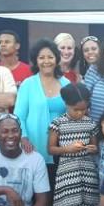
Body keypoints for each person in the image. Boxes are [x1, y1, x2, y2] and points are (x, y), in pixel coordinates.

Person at [48, 83, 100, 206]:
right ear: (66, 104)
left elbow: (95, 147)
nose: (79, 113)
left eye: (83, 109)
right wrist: (67, 149)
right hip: (67, 171)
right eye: (75, 109)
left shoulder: (90, 123)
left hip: (86, 169)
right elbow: (51, 149)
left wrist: (92, 148)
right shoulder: (58, 123)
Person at [15, 38, 70, 166]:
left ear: (56, 59)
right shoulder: (27, 84)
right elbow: (19, 116)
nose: (46, 61)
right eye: (41, 58)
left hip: (62, 149)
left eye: (50, 57)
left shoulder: (66, 84)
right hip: (33, 147)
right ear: (36, 60)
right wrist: (24, 138)